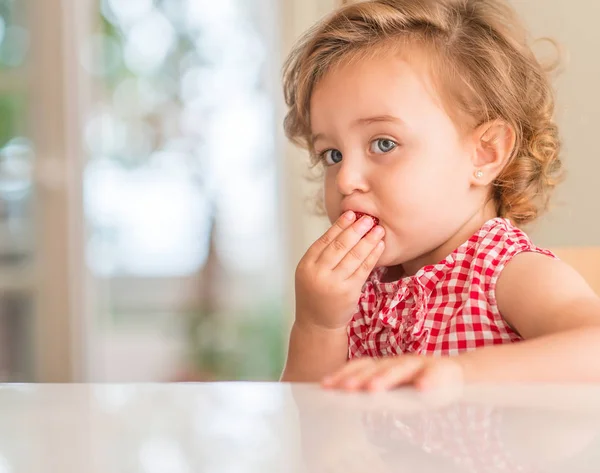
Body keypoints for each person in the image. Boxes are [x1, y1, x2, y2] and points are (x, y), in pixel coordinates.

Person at [280, 0, 600, 390]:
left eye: (383, 144)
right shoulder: (357, 293)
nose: (346, 179)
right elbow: (306, 422)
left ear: (485, 153)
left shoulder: (506, 273)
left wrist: (463, 374)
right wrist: (319, 324)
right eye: (332, 154)